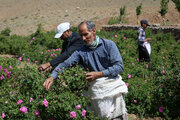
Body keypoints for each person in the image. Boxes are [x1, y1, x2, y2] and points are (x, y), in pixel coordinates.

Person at [43, 21, 128, 120]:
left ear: (94, 31)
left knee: (116, 116)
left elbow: (119, 67)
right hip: (96, 92)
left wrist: (100, 74)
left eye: (86, 34)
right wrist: (52, 76)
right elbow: (65, 64)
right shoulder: (81, 51)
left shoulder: (108, 45)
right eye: (81, 35)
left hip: (112, 89)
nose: (83, 38)